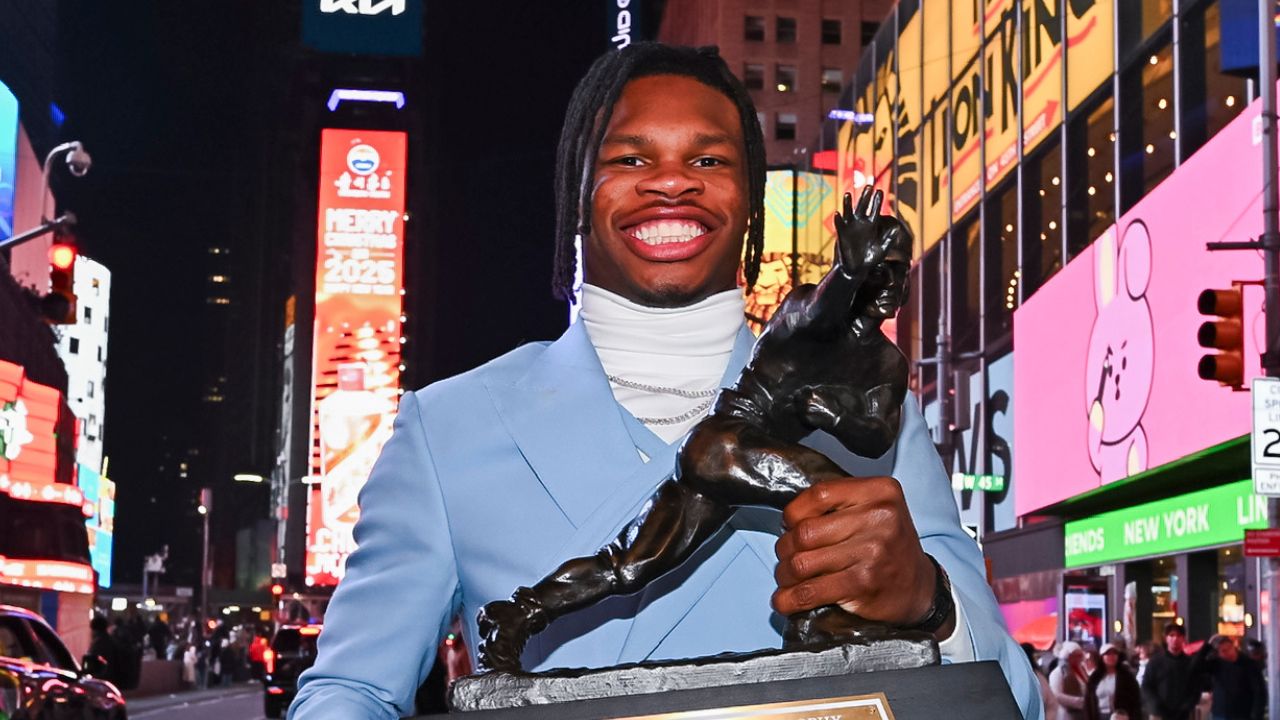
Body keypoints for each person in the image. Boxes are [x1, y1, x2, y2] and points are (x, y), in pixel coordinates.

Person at [288, 42, 1042, 720]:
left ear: (750, 196)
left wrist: (930, 603)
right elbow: (352, 690)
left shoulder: (878, 412)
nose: (673, 182)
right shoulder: (446, 428)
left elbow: (1016, 700)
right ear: (576, 189)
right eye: (629, 159)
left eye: (709, 161)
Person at [1192, 635, 1265, 720]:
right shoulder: (1216, 664)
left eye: (1230, 648)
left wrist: (1256, 715)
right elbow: (1195, 667)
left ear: (1233, 646)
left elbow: (1259, 692)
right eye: (1224, 651)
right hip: (1220, 714)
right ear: (1218, 654)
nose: (1229, 652)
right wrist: (1207, 647)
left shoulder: (1249, 664)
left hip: (1243, 714)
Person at [1142, 623, 1197, 720]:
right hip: (1159, 713)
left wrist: (1188, 705)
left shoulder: (1190, 662)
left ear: (1183, 639)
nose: (1175, 639)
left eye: (1179, 636)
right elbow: (1146, 686)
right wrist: (1155, 704)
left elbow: (1196, 687)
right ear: (1166, 638)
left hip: (1183, 714)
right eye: (1171, 635)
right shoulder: (1155, 662)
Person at [1084, 642, 1141, 720]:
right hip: (1099, 715)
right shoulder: (1095, 677)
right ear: (1102, 657)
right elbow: (1088, 701)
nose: (1112, 656)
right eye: (1108, 654)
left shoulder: (1126, 676)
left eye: (1114, 654)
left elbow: (1136, 700)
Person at [1049, 641, 1088, 720]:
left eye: (1079, 655)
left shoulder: (1081, 670)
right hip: (1065, 714)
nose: (1078, 658)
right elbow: (1056, 695)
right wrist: (1080, 701)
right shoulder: (1058, 673)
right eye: (1074, 656)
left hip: (1083, 713)